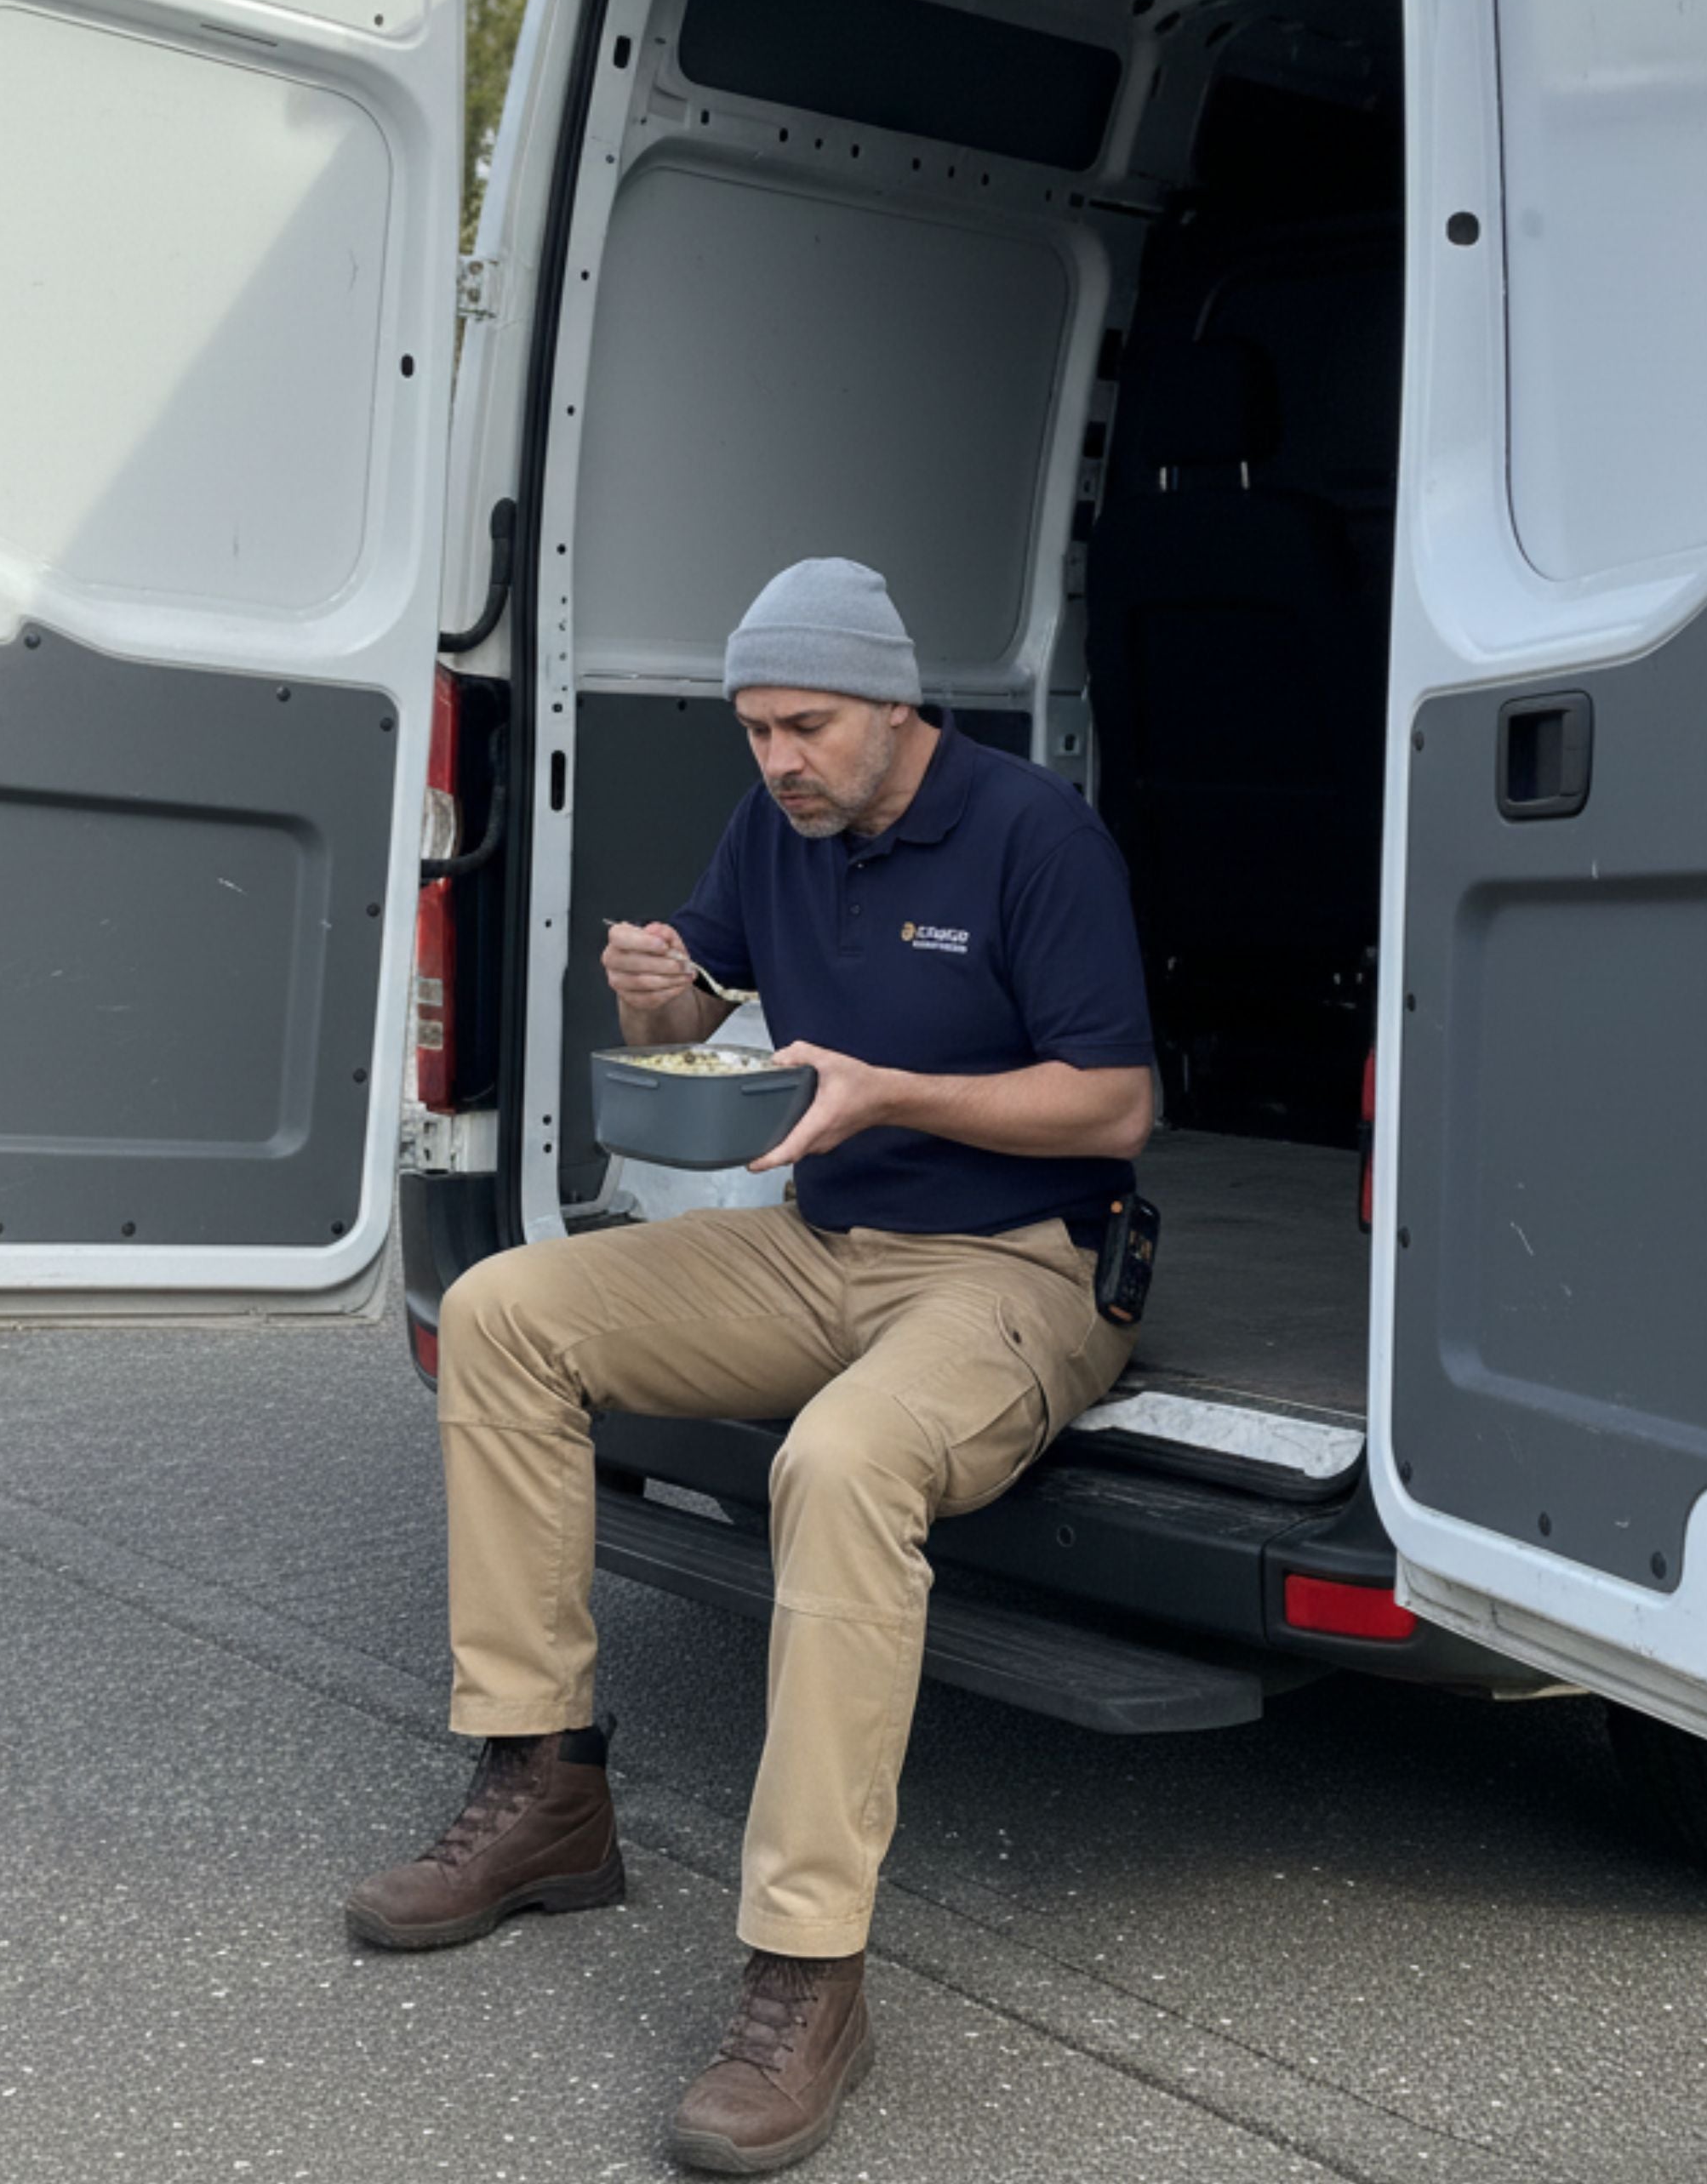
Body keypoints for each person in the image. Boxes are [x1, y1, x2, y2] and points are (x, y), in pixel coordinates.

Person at [345, 558, 1156, 2173]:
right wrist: (665, 987)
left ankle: (807, 1972)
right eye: (755, 729)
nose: (778, 757)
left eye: (808, 725)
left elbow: (1113, 1108)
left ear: (898, 706)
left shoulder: (1032, 836)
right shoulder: (776, 827)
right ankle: (544, 1785)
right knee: (510, 1307)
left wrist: (892, 1090)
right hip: (820, 1241)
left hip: (1017, 1263)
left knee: (843, 1462)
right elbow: (704, 991)